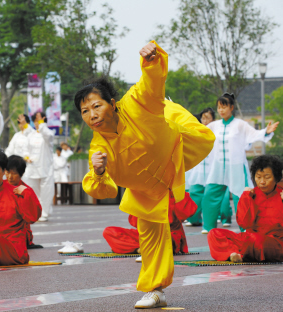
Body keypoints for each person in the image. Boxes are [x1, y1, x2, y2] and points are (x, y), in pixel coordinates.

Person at [75, 41, 215, 308]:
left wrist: (151, 60)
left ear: (112, 103)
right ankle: (155, 290)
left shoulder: (134, 104)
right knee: (150, 237)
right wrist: (98, 171)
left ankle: (170, 107)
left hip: (177, 147)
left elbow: (149, 83)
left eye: (96, 106)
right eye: (84, 111)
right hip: (146, 190)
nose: (92, 115)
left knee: (181, 120)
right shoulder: (98, 146)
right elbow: (104, 190)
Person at [201, 93, 279, 233]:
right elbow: (199, 134)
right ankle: (208, 226)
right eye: (219, 107)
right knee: (209, 195)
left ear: (231, 107)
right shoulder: (213, 126)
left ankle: (246, 227)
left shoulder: (240, 125)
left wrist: (265, 132)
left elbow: (255, 134)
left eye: (224, 107)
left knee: (242, 196)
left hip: (236, 167)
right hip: (218, 167)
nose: (221, 110)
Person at [208, 155, 283, 263]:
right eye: (258, 177)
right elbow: (244, 224)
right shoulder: (251, 194)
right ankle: (234, 254)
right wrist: (246, 198)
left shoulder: (281, 194)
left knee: (256, 240)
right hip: (249, 238)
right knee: (214, 234)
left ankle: (237, 252)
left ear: (276, 178)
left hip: (274, 243)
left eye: (267, 177)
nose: (262, 181)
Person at [104, 192, 197, 255]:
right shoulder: (142, 191)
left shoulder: (175, 190)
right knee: (108, 231)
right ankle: (139, 249)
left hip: (168, 234)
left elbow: (186, 212)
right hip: (145, 234)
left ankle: (133, 248)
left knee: (167, 242)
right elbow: (135, 222)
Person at [185, 108, 232, 228]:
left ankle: (225, 218)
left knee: (220, 197)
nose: (205, 120)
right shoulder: (197, 132)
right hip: (199, 171)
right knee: (195, 194)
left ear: (214, 119)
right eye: (203, 118)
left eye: (207, 117)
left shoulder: (218, 133)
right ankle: (194, 219)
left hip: (214, 170)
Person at [5, 155, 43, 249]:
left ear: (21, 174)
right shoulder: (0, 186)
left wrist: (26, 194)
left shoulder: (27, 191)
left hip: (18, 234)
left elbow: (33, 216)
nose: (10, 177)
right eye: (8, 172)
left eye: (14, 173)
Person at [24, 112, 55, 222]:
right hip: (33, 168)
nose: (37, 123)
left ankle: (45, 212)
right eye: (35, 121)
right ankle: (36, 212)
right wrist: (26, 156)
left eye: (39, 120)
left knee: (46, 192)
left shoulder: (48, 134)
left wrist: (42, 124)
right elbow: (26, 149)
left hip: (45, 168)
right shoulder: (31, 135)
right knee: (34, 192)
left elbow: (47, 134)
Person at [5, 114, 34, 184]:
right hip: (16, 165)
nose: (21, 125)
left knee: (27, 184)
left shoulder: (32, 134)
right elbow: (10, 149)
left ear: (28, 123)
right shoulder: (16, 135)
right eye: (19, 124)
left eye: (23, 123)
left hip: (28, 165)